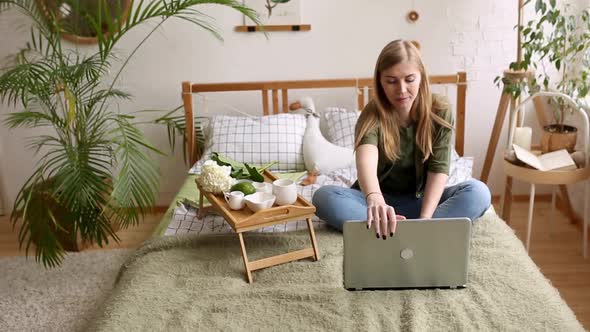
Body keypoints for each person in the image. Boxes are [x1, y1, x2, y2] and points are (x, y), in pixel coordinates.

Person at [312, 39, 491, 239]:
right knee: (323, 197)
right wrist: (375, 199)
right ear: (380, 81)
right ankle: (414, 232)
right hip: (378, 204)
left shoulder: (440, 110)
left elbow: (438, 170)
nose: (402, 89)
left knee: (479, 192)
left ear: (421, 77)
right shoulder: (371, 115)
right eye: (391, 81)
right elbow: (365, 163)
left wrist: (425, 218)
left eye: (409, 79)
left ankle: (409, 231)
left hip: (424, 203)